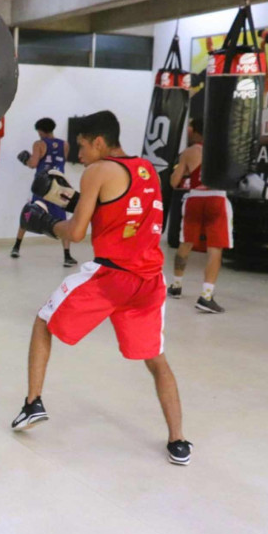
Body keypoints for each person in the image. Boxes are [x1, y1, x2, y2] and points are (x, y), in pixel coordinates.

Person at [12, 110, 192, 466]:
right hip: (149, 281)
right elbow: (120, 210)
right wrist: (68, 196)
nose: (78, 156)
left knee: (43, 321)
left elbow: (77, 233)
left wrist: (46, 222)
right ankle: (179, 440)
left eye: (81, 147)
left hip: (111, 277)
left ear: (98, 142)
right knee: (156, 360)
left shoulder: (97, 171)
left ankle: (33, 403)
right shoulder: (149, 172)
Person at [167, 118, 230, 313]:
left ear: (195, 131)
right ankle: (206, 296)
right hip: (216, 198)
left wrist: (182, 171)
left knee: (186, 243)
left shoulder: (188, 152)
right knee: (215, 248)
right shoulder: (223, 151)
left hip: (195, 198)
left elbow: (174, 182)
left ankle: (176, 286)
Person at [13, 117, 77, 267]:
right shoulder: (65, 144)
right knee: (63, 219)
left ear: (41, 131)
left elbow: (33, 163)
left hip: (42, 185)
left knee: (29, 212)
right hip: (59, 186)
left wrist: (26, 160)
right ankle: (67, 256)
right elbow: (61, 162)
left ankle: (16, 247)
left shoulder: (39, 144)